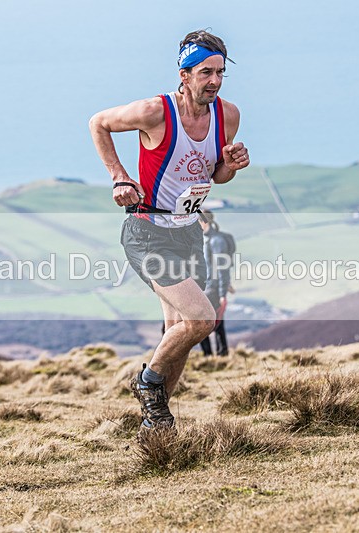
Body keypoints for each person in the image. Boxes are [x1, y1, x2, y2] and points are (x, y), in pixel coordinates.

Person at [88, 29, 249, 431]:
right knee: (201, 321)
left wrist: (232, 163)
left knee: (178, 330)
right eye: (205, 72)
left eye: (220, 73)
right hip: (148, 231)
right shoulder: (155, 112)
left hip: (189, 230)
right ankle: (148, 381)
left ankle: (156, 425)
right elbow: (98, 123)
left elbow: (217, 174)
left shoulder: (227, 115)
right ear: (184, 74)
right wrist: (119, 178)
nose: (214, 81)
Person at [198, 211, 233, 356]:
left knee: (203, 321)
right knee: (215, 322)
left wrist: (223, 292)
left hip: (212, 288)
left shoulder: (216, 240)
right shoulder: (207, 239)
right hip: (208, 287)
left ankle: (211, 355)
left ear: (203, 222)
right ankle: (221, 354)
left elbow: (222, 267)